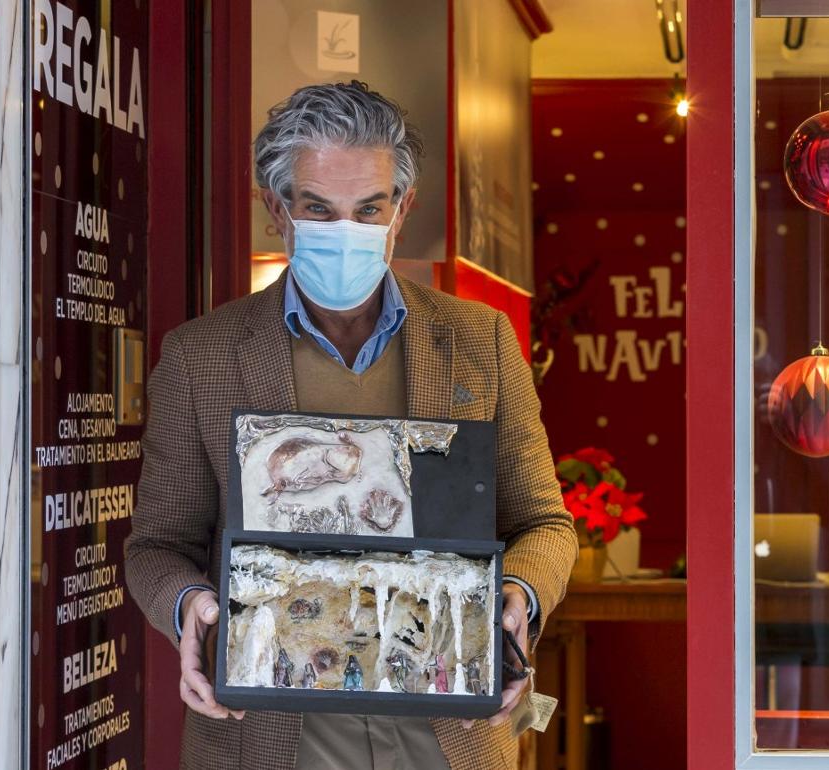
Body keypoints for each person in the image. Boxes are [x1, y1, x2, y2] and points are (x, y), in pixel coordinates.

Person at [124, 81, 578, 770]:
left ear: (403, 210)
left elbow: (545, 524)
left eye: (370, 209)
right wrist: (190, 606)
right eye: (320, 209)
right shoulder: (201, 358)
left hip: (447, 740)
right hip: (269, 740)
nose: (349, 232)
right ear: (277, 209)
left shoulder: (479, 342)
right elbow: (157, 545)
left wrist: (514, 598)